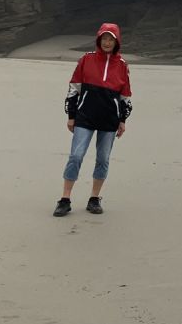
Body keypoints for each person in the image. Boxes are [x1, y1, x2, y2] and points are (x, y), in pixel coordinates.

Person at [55, 22, 132, 217]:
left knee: (103, 159)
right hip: (85, 117)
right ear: (99, 40)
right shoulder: (86, 59)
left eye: (111, 40)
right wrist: (71, 116)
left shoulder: (122, 66)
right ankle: (65, 199)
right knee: (76, 156)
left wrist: (122, 120)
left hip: (109, 121)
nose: (107, 43)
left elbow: (125, 96)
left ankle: (94, 198)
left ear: (117, 43)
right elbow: (74, 89)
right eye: (104, 39)